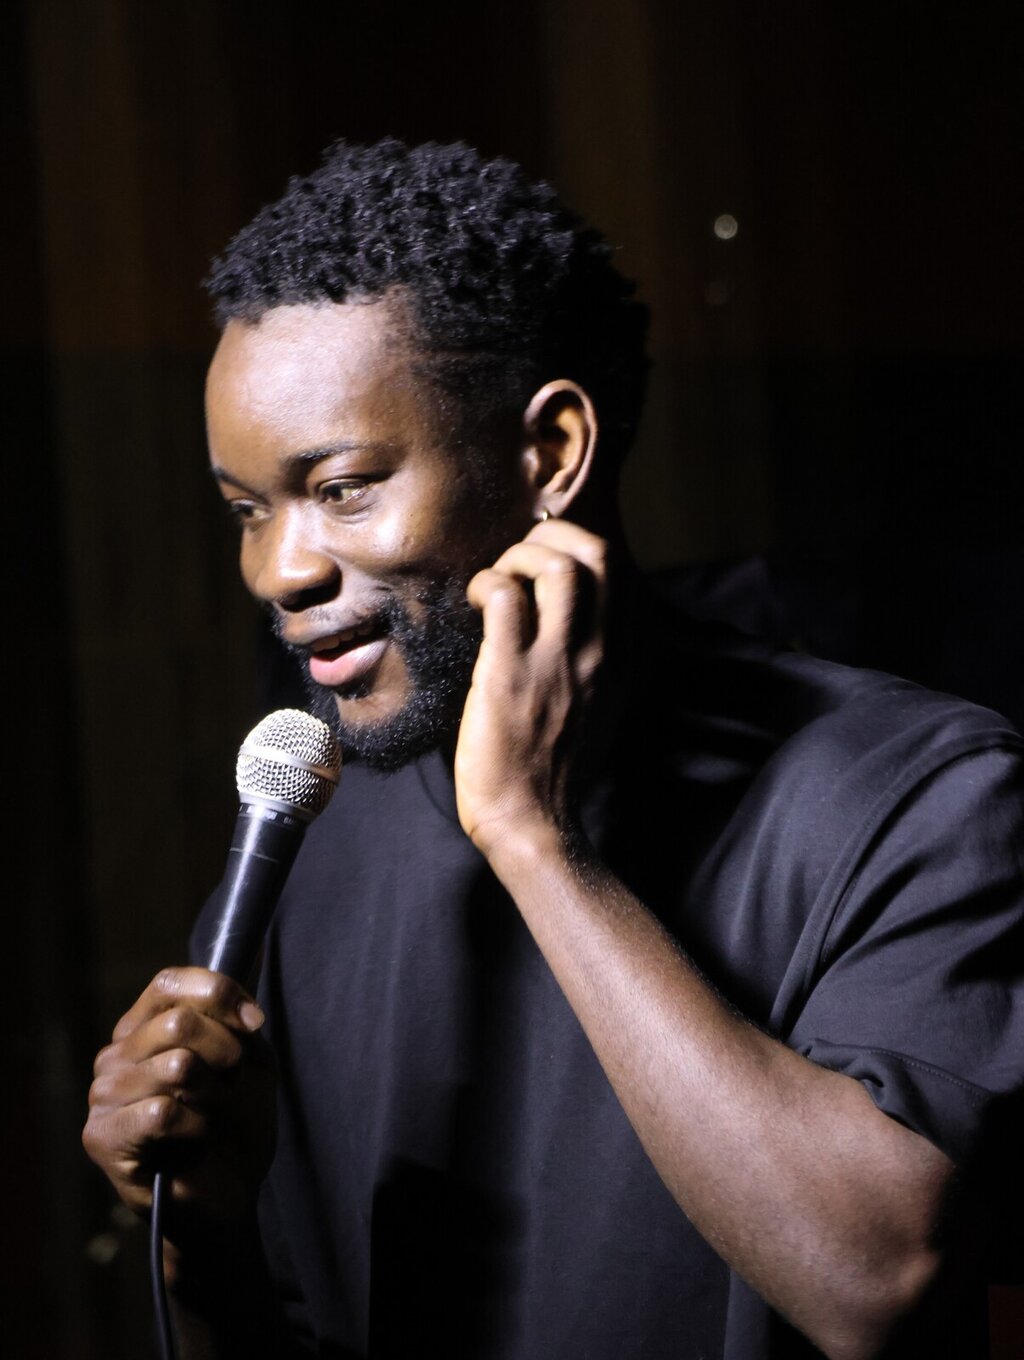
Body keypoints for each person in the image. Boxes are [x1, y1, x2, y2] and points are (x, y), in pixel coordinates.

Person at [83, 139, 1023, 1359]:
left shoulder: (920, 791)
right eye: (248, 511)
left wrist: (533, 840)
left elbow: (878, 1282)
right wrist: (200, 1234)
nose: (280, 569)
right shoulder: (312, 836)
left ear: (551, 455)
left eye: (346, 486)